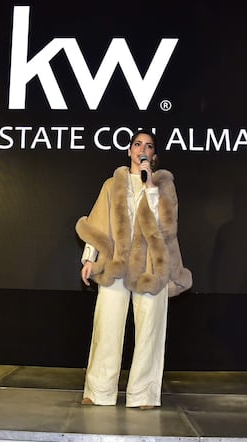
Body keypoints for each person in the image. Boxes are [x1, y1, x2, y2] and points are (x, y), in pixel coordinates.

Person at [76, 128, 192, 409]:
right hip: (116, 263)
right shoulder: (111, 185)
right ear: (129, 151)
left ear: (154, 155)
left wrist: (150, 187)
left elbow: (167, 227)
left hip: (152, 267)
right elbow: (97, 222)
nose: (142, 149)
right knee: (107, 327)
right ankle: (99, 390)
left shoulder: (163, 186)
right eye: (138, 144)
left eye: (148, 146)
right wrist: (89, 258)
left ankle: (144, 394)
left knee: (150, 331)